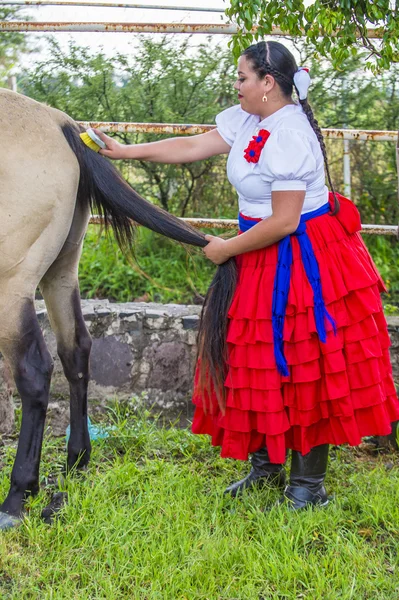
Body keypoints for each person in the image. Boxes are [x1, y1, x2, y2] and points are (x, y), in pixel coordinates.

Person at [94, 40, 399, 510]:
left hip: (300, 260)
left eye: (242, 77)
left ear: (268, 83)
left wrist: (224, 249)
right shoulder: (249, 119)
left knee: (303, 364)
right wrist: (127, 152)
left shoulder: (291, 134)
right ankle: (265, 467)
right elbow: (193, 144)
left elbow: (286, 221)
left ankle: (307, 487)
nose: (236, 85)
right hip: (257, 251)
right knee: (248, 356)